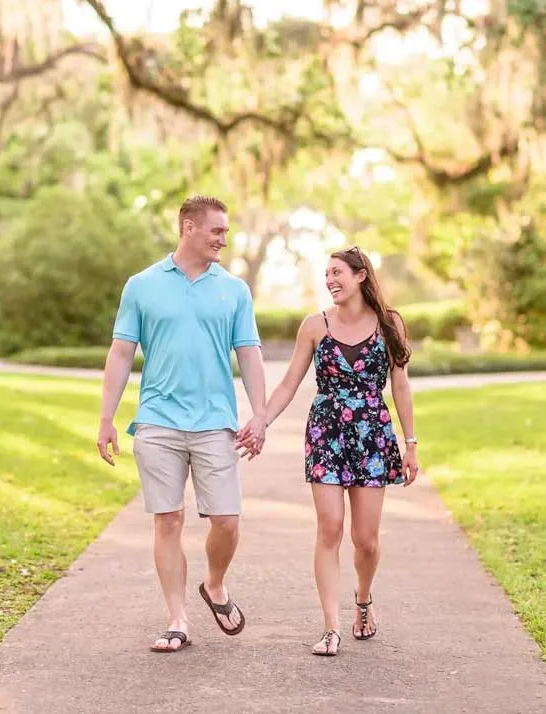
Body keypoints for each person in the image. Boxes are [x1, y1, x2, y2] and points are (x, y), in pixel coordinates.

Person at [98, 195, 268, 653]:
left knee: (227, 522)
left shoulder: (233, 289)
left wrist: (261, 412)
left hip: (216, 423)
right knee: (167, 521)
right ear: (188, 228)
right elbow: (120, 353)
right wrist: (107, 419)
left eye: (226, 232)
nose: (224, 239)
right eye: (216, 231)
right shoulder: (142, 285)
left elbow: (248, 354)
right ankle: (177, 619)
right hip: (157, 421)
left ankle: (214, 584)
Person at [239, 245, 420, 657]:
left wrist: (410, 444)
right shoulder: (315, 325)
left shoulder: (390, 323)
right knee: (330, 526)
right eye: (326, 274)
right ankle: (330, 627)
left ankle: (363, 599)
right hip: (327, 432)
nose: (329, 280)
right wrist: (261, 419)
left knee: (366, 540)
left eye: (337, 272)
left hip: (374, 434)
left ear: (360, 276)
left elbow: (401, 386)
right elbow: (288, 383)